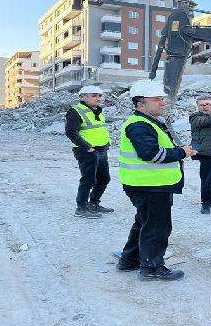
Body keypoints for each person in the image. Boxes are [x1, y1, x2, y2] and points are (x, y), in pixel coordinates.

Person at [116, 80, 197, 281]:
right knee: (156, 228)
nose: (162, 103)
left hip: (150, 184)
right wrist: (181, 152)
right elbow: (150, 154)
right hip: (149, 186)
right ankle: (152, 268)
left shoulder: (148, 122)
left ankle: (129, 260)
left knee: (144, 223)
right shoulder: (139, 125)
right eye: (157, 99)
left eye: (162, 99)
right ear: (140, 104)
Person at [65, 85, 113, 219]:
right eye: (94, 95)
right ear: (84, 97)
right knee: (88, 179)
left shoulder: (97, 111)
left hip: (102, 149)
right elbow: (70, 132)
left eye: (99, 96)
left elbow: (99, 129)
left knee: (104, 178)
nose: (98, 98)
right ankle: (81, 207)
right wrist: (87, 147)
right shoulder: (76, 111)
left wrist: (106, 144)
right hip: (87, 151)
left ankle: (93, 203)